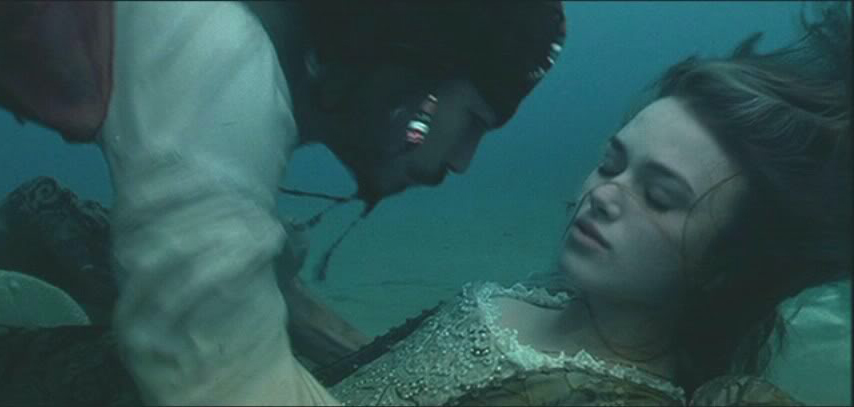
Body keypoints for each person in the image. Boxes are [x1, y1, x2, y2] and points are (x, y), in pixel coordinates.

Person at [0, 1, 566, 405]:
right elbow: (217, 378)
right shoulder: (219, 59)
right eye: (473, 121)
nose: (462, 160)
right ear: (420, 73)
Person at [315, 3, 851, 405]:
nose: (606, 194)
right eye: (612, 163)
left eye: (660, 197)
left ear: (725, 266)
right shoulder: (525, 300)